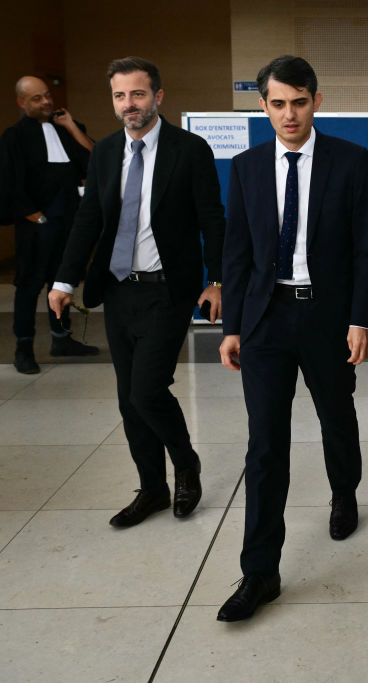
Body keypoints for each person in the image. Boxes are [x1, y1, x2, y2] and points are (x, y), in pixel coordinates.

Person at [216, 55, 368, 623]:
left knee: (337, 417)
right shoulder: (246, 167)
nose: (290, 114)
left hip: (328, 318)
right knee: (265, 444)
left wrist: (363, 319)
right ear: (262, 106)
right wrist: (232, 325)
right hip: (265, 320)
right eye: (278, 104)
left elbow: (366, 247)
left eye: (300, 102)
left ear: (316, 100)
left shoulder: (350, 161)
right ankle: (260, 571)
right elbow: (237, 253)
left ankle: (343, 493)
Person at [48, 56, 223, 529]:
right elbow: (89, 222)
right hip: (119, 291)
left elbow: (212, 219)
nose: (129, 104)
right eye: (120, 96)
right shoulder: (105, 152)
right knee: (129, 399)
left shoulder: (190, 150)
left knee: (147, 390)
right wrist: (65, 281)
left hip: (168, 291)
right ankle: (153, 488)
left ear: (158, 97)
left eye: (138, 94)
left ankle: (186, 465)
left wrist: (218, 280)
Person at [2, 75, 97, 374]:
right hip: (36, 224)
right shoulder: (14, 137)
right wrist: (33, 215)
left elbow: (95, 161)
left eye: (46, 96)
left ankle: (61, 339)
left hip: (68, 221)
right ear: (21, 103)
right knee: (29, 286)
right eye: (36, 99)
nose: (45, 102)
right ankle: (24, 348)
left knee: (63, 282)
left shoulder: (69, 129)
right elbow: (8, 182)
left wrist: (70, 125)